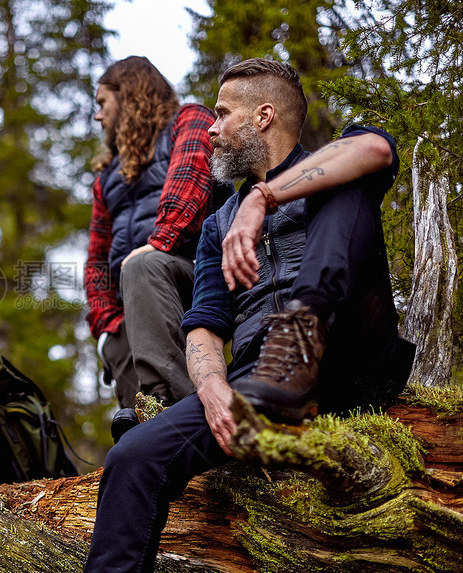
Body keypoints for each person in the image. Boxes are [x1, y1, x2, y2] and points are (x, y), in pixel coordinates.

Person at [84, 58, 415, 572]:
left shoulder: (336, 161)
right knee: (132, 458)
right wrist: (213, 389)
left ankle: (301, 334)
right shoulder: (219, 221)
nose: (210, 130)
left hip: (351, 356)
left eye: (221, 114)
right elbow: (205, 322)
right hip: (261, 385)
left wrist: (263, 197)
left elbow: (374, 149)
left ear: (263, 116)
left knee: (344, 183)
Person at [84, 56, 231, 437]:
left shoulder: (190, 120)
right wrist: (104, 325)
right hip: (136, 299)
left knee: (142, 269)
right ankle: (145, 441)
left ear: (130, 94)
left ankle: (177, 412)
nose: (97, 116)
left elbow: (191, 183)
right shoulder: (106, 179)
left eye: (102, 103)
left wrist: (155, 245)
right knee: (135, 434)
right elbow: (97, 257)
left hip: (198, 278)